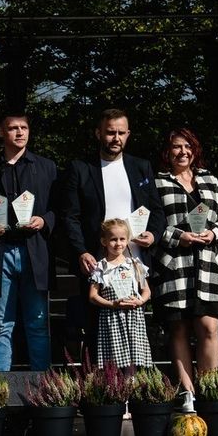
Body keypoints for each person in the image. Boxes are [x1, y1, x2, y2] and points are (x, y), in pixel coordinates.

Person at [61, 108, 164, 358]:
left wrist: (152, 234)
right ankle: (105, 391)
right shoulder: (80, 168)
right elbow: (70, 216)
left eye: (120, 133)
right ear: (98, 133)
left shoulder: (141, 167)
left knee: (139, 335)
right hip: (98, 263)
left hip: (137, 262)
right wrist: (82, 251)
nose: (115, 138)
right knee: (99, 332)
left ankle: (137, 390)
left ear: (128, 134)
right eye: (110, 132)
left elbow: (157, 211)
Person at [152, 127, 218, 411]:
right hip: (175, 265)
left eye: (187, 146)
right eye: (176, 147)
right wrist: (178, 236)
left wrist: (214, 233)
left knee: (209, 326)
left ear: (195, 149)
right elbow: (151, 226)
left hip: (208, 265)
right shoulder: (157, 183)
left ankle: (209, 390)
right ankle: (187, 395)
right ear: (168, 151)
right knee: (178, 328)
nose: (182, 152)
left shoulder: (210, 179)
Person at [0, 113, 57, 371]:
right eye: (13, 128)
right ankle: (1, 391)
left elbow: (59, 210)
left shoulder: (47, 167)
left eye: (24, 128)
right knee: (1, 325)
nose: (19, 133)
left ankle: (43, 389)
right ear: (1, 132)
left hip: (35, 251)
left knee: (38, 324)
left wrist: (43, 221)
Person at [89, 218, 153, 373]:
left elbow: (146, 290)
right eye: (113, 239)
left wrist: (140, 301)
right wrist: (112, 304)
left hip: (133, 317)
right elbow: (92, 295)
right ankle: (117, 393)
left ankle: (132, 391)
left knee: (133, 362)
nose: (118, 243)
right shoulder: (100, 267)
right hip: (112, 319)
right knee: (113, 362)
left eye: (122, 239)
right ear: (104, 241)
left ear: (127, 240)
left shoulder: (135, 264)